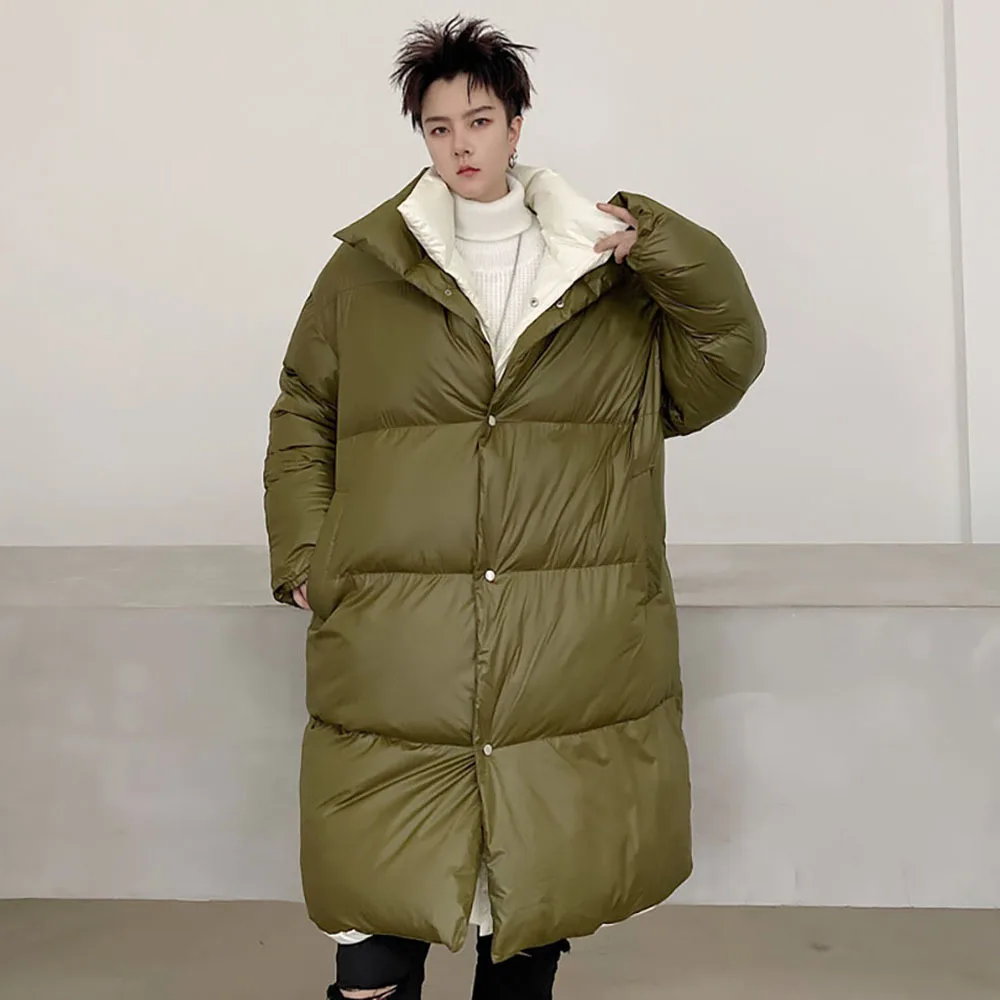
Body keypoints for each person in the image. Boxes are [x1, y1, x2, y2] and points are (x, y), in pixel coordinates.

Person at [263, 14, 766, 999]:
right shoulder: (364, 270)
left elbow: (725, 355)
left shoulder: (603, 273)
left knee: (533, 904)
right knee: (375, 932)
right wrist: (305, 556)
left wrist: (659, 242)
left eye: (480, 120)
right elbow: (304, 409)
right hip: (400, 643)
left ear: (517, 124)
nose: (461, 144)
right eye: (439, 126)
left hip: (564, 642)